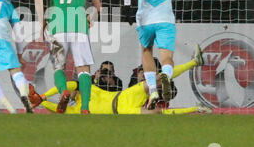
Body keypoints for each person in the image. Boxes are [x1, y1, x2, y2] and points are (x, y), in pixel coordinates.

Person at [29, 45, 208, 115]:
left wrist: (43, 97)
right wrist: (41, 101)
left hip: (125, 95)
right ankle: (196, 108)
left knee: (158, 79)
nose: (67, 95)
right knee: (156, 114)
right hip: (123, 109)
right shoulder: (75, 110)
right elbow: (56, 109)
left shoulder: (86, 88)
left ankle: (194, 62)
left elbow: (70, 85)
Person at [34, 0, 102, 114]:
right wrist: (91, 16)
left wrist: (42, 22)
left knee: (59, 66)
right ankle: (85, 107)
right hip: (79, 25)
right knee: (84, 69)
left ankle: (64, 91)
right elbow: (97, 5)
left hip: (57, 25)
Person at [121, 0, 185, 110]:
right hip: (165, 18)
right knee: (167, 57)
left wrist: (126, 5)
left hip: (145, 19)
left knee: (146, 51)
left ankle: (153, 91)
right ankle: (165, 75)